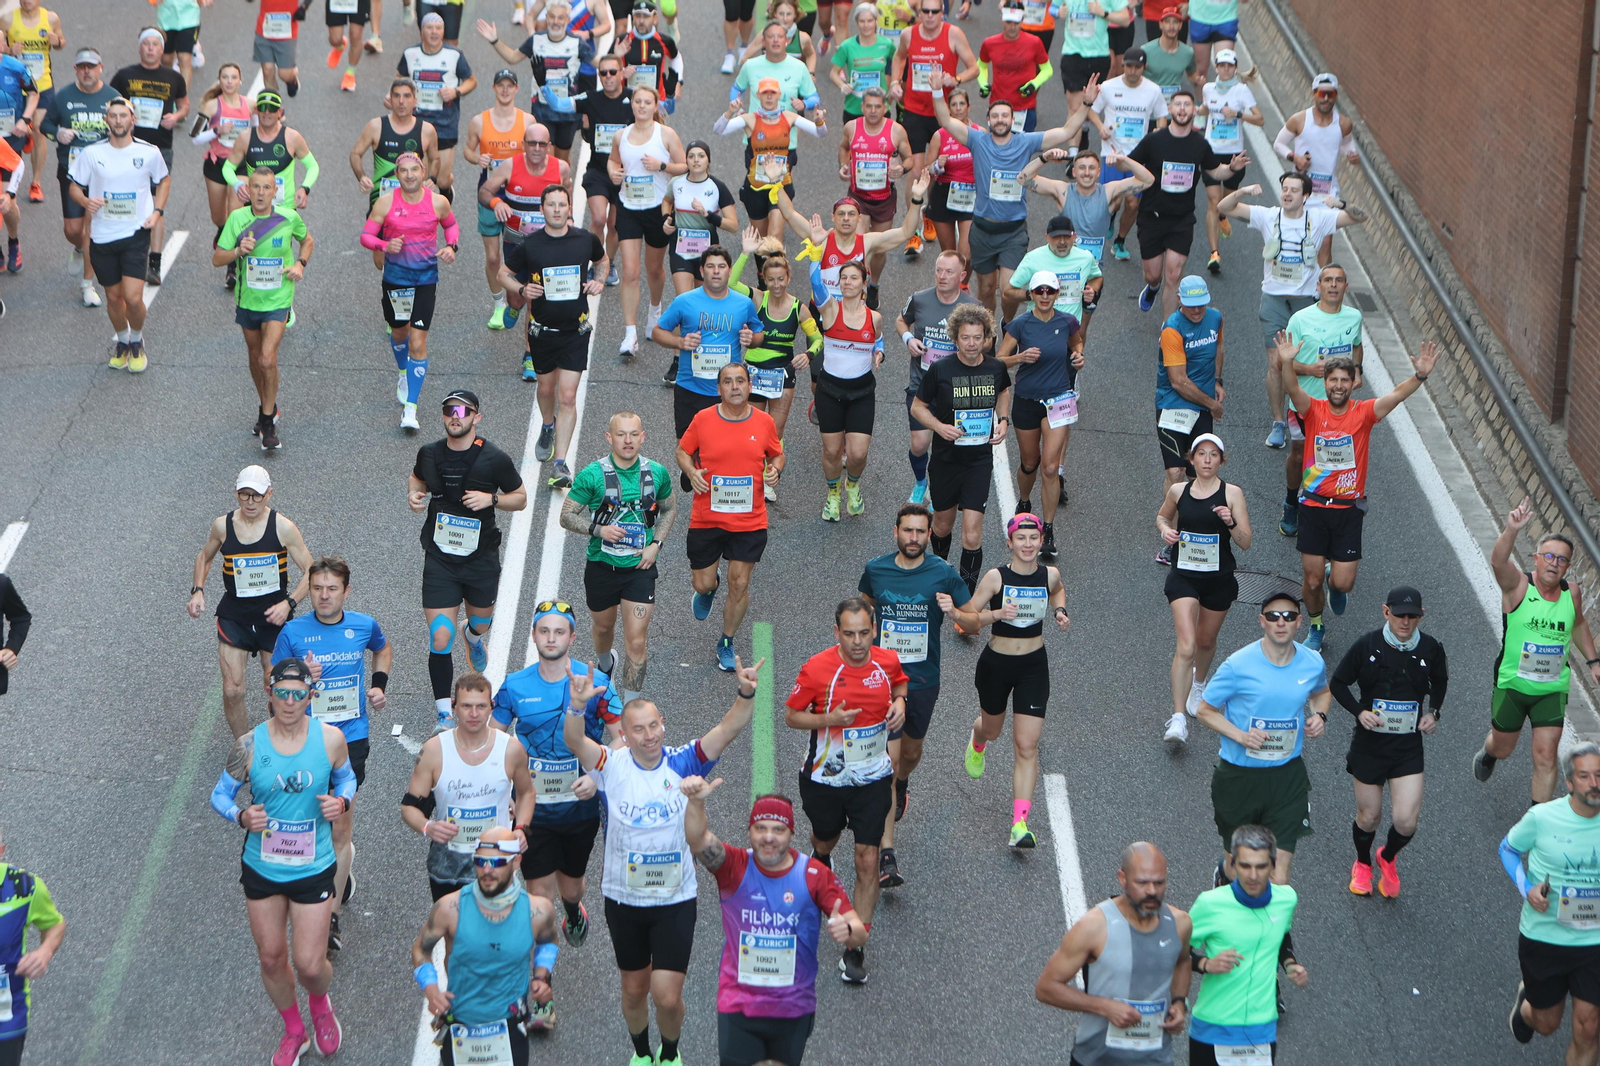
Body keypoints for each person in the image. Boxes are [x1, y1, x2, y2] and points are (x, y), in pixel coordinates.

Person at [563, 659, 764, 1066]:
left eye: (654, 725)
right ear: (624, 734)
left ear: (663, 724)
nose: (648, 735)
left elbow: (728, 729)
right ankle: (641, 1054)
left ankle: (669, 1054)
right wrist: (577, 708)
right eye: (638, 729)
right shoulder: (610, 764)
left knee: (668, 996)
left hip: (675, 899)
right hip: (624, 899)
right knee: (635, 991)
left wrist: (745, 692)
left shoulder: (684, 760)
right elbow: (575, 742)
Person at [209, 658, 354, 1064]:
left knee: (310, 965)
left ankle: (321, 1005)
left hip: (313, 866)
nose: (290, 702)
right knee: (272, 957)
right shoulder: (249, 745)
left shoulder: (329, 739)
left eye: (299, 694)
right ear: (269, 694)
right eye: (282, 693)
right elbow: (219, 795)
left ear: (311, 696)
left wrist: (340, 801)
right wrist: (239, 815)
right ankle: (295, 1031)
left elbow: (346, 778)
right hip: (263, 867)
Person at [683, 777, 867, 1065]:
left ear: (791, 833)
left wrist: (849, 932)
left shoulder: (814, 875)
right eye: (761, 828)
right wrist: (696, 800)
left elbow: (858, 931)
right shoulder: (733, 866)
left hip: (793, 1006)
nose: (769, 837)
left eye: (778, 830)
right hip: (738, 1004)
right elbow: (697, 839)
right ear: (750, 831)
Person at [1277, 332, 1440, 651]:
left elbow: (1396, 395)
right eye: (1333, 379)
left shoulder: (1364, 413)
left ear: (1354, 383)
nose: (1338, 385)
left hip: (1347, 511)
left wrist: (1420, 375)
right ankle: (1316, 625)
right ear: (1325, 383)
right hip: (1312, 506)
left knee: (1343, 582)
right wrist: (1286, 361)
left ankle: (1333, 578)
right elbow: (1292, 387)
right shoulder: (1313, 410)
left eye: (1344, 380)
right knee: (1310, 581)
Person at [783, 598, 907, 984]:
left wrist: (901, 702)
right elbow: (791, 715)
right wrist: (828, 719)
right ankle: (821, 854)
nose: (857, 642)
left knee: (867, 858)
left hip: (872, 778)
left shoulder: (886, 662)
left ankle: (855, 947)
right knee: (826, 836)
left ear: (875, 630)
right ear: (836, 632)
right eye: (849, 634)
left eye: (864, 633)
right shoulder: (818, 670)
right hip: (825, 780)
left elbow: (900, 681)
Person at [272, 557, 392, 954]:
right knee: (309, 820)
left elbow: (383, 648)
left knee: (340, 828)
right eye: (318, 588)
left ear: (346, 591)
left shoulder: (363, 625)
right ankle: (328, 875)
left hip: (350, 740)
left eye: (332, 589)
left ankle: (331, 916)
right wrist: (300, 677)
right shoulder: (292, 631)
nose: (324, 596)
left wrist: (378, 686)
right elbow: (274, 687)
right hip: (303, 742)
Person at [491, 605, 617, 977]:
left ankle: (574, 909)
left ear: (572, 637)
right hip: (534, 810)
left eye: (559, 632)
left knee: (571, 886)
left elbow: (622, 739)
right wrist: (503, 794)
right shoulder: (514, 684)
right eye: (543, 631)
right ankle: (541, 983)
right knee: (538, 896)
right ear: (533, 635)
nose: (550, 638)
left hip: (580, 807)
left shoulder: (595, 683)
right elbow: (495, 741)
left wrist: (598, 776)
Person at [856, 503, 969, 886]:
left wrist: (954, 613)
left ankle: (903, 784)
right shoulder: (876, 570)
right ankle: (888, 855)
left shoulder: (943, 574)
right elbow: (863, 610)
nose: (915, 538)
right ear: (896, 532)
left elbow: (971, 622)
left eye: (921, 532)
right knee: (886, 764)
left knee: (910, 755)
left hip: (923, 682)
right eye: (908, 531)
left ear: (928, 535)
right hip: (882, 683)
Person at [941, 512, 1069, 847]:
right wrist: (993, 615)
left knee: (1027, 745)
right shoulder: (996, 579)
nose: (1028, 545)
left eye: (1034, 538)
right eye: (1021, 539)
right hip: (996, 664)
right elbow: (968, 621)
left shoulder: (1049, 575)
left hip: (1033, 666)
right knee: (994, 729)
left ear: (1041, 541)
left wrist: (1059, 611)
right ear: (1010, 542)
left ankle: (1019, 826)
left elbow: (1058, 590)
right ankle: (978, 737)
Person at [406, 675, 538, 998]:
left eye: (481, 706)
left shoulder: (511, 749)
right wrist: (428, 826)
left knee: (500, 934)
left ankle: (504, 999)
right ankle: (463, 1000)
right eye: (466, 706)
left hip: (496, 861)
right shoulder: (435, 751)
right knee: (458, 939)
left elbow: (527, 793)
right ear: (454, 708)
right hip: (448, 862)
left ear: (491, 707)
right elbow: (409, 806)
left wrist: (521, 829)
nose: (474, 714)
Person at [1214, 175, 1364, 451]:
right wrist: (1244, 190)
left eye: (1294, 190)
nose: (1287, 194)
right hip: (1273, 300)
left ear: (1305, 196)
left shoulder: (1319, 218)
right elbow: (1223, 207)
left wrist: (1339, 203)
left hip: (1307, 304)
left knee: (1309, 363)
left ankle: (1312, 414)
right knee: (1276, 364)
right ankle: (1278, 422)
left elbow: (1358, 217)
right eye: (1284, 189)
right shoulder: (1267, 216)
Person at [408, 391, 529, 721]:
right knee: (440, 634)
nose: (455, 416)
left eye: (463, 410)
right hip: (440, 558)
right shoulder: (430, 453)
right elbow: (417, 479)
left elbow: (520, 498)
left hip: (480, 559)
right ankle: (444, 714)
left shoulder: (494, 458)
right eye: (449, 410)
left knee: (480, 622)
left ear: (477, 417)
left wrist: (492, 500)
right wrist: (414, 495)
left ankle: (473, 637)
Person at [929, 73, 1092, 316]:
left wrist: (1086, 104)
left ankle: (1008, 324)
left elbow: (1067, 131)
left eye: (1005, 115)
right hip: (983, 230)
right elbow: (944, 119)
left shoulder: (1026, 141)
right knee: (985, 290)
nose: (1000, 120)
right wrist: (935, 90)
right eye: (995, 116)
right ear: (988, 120)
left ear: (1012, 119)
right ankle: (989, 333)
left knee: (1007, 290)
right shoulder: (977, 139)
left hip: (1013, 232)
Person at [1194, 593, 1328, 885]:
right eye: (1273, 616)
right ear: (1262, 622)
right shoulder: (1237, 665)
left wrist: (1320, 716)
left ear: (1299, 622)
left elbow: (1321, 692)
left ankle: (1276, 932)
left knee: (1278, 876)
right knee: (1238, 867)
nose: (1281, 622)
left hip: (1287, 777)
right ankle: (1223, 875)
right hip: (1239, 777)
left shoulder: (1312, 663)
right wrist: (1240, 735)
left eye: (1289, 616)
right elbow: (1204, 710)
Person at [1475, 497, 1600, 803]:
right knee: (1503, 748)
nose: (1554, 563)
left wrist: (1594, 660)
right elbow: (1498, 562)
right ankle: (1489, 751)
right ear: (1536, 559)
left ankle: (1536, 823)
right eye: (1549, 556)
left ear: (1568, 567)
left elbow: (1579, 624)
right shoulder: (1518, 586)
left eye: (1562, 560)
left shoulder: (1572, 593)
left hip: (1551, 689)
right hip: (1513, 685)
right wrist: (1512, 529)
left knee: (1546, 757)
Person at [409, 826, 561, 1066]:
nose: (487, 870)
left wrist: (541, 977)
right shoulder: (449, 908)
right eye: (480, 861)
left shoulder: (538, 911)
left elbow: (548, 941)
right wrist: (431, 991)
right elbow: (421, 950)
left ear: (516, 861)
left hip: (511, 1024)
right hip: (461, 1020)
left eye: (497, 862)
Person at [1331, 586, 1446, 899]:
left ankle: (1388, 856)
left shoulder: (1431, 648)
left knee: (1406, 822)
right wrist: (1359, 712)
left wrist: (1434, 712)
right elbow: (1338, 683)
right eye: (1399, 615)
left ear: (1421, 617)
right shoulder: (1367, 644)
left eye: (1413, 616)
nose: (1406, 622)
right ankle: (1363, 863)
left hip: (1407, 748)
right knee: (1369, 816)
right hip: (1370, 745)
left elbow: (1441, 680)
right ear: (1386, 612)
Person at [1034, 842, 1192, 1065]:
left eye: (1159, 882)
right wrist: (1105, 1007)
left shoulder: (1180, 923)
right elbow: (1046, 988)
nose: (1152, 891)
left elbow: (1183, 962)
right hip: (1096, 1059)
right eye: (1142, 883)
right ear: (1122, 879)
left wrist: (1178, 1003)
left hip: (1156, 1059)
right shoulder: (1094, 926)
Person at [560, 412, 679, 707]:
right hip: (602, 565)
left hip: (640, 568)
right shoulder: (592, 475)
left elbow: (669, 509)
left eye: (633, 434)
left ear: (643, 437)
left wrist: (656, 545)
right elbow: (566, 516)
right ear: (609, 438)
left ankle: (629, 707)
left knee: (636, 640)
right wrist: (598, 529)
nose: (628, 440)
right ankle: (605, 664)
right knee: (602, 628)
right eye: (621, 434)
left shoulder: (657, 473)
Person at [673, 362, 785, 671]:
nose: (734, 387)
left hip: (750, 521)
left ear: (750, 386)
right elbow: (682, 451)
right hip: (707, 518)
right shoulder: (703, 419)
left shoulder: (763, 422)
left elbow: (776, 453)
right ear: (719, 388)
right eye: (727, 382)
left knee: (740, 582)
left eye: (740, 381)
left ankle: (726, 640)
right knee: (702, 582)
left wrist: (775, 469)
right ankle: (710, 586)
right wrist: (692, 471)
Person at [189, 466, 315, 740]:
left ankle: (282, 741)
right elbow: (205, 556)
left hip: (274, 619)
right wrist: (197, 590)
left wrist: (289, 603)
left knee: (277, 684)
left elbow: (311, 570)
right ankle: (243, 747)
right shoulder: (223, 526)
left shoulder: (283, 527)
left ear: (269, 494)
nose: (250, 502)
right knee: (233, 689)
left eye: (256, 496)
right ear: (236, 493)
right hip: (236, 617)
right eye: (244, 495)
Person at [499, 183, 607, 486]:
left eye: (562, 204)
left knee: (568, 395)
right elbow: (502, 274)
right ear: (542, 209)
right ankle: (548, 424)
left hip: (576, 331)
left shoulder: (586, 239)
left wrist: (598, 281)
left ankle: (560, 463)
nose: (557, 210)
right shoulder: (531, 245)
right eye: (551, 205)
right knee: (546, 389)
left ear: (570, 208)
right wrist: (522, 289)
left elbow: (602, 261)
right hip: (542, 331)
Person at [1500, 743, 1600, 1057]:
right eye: (1584, 776)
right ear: (1570, 783)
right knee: (1546, 1024)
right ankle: (1527, 1006)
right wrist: (1527, 887)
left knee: (1589, 1027)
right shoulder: (1542, 817)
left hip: (1594, 939)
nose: (1594, 783)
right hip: (1545, 936)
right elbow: (1508, 849)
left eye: (1599, 775)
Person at [1187, 826, 1307, 1065]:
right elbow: (1174, 949)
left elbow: (1281, 932)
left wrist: (1289, 963)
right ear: (1232, 864)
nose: (1253, 875)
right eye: (1245, 866)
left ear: (1273, 865)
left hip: (1261, 1031)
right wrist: (1205, 963)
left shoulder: (1286, 900)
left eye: (1261, 866)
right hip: (1212, 1029)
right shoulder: (1210, 904)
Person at [1157, 433, 1248, 745]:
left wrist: (1231, 521)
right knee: (1187, 644)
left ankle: (1199, 683)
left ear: (1221, 461)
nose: (1207, 460)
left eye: (1213, 455)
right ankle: (1178, 718)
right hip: (1183, 575)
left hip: (1219, 578)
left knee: (1206, 641)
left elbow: (1246, 542)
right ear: (1191, 459)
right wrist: (1166, 530)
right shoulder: (1178, 490)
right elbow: (1162, 516)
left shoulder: (1232, 493)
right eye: (1201, 454)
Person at [911, 300, 1010, 587]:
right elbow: (917, 407)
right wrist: (939, 427)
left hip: (978, 461)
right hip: (945, 460)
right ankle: (942, 572)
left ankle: (966, 596)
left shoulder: (995, 368)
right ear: (955, 337)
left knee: (972, 534)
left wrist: (1002, 420)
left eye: (977, 337)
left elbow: (1003, 391)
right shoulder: (941, 370)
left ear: (987, 338)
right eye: (965, 337)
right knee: (942, 527)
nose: (971, 344)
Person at [214, 167, 315, 449]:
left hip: (278, 299)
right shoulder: (237, 218)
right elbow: (217, 258)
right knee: (256, 357)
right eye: (255, 187)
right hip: (248, 301)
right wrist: (236, 251)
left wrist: (299, 264)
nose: (260, 193)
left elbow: (307, 240)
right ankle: (267, 404)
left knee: (267, 359)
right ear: (249, 191)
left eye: (266, 188)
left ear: (274, 191)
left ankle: (267, 420)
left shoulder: (288, 217)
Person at [362, 152, 461, 432]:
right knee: (399, 333)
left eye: (414, 170)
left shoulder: (438, 202)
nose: (409, 175)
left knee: (418, 343)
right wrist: (384, 245)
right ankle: (403, 373)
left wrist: (451, 247)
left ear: (423, 171)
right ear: (396, 174)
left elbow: (451, 226)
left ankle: (410, 409)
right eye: (403, 171)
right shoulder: (385, 203)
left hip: (426, 280)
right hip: (396, 280)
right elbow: (366, 235)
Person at [1127, 89, 1246, 316]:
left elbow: (1215, 171)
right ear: (1170, 110)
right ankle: (1152, 288)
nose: (1182, 109)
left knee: (1173, 275)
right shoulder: (1154, 140)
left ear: (1194, 111)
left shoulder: (1200, 144)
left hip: (1181, 219)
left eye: (1187, 105)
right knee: (1154, 275)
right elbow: (1130, 163)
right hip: (1152, 215)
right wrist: (1120, 161)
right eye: (1178, 105)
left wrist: (1231, 168)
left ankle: (1167, 331)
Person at [68, 99, 168, 369]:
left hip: (135, 233)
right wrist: (85, 201)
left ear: (132, 120)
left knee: (133, 297)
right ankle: (122, 341)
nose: (118, 120)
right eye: (113, 116)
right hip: (102, 235)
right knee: (113, 297)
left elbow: (164, 179)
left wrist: (157, 210)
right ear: (107, 121)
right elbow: (74, 186)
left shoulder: (148, 152)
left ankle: (137, 340)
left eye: (123, 116)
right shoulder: (91, 153)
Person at [1270, 261, 1365, 538]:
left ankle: (1324, 509)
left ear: (1346, 287)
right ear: (1318, 286)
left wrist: (1357, 370)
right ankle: (1291, 501)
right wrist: (1308, 369)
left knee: (1331, 457)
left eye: (1339, 280)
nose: (1333, 285)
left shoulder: (1354, 317)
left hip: (1338, 406)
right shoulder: (1301, 320)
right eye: (1328, 280)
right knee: (1300, 454)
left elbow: (1357, 346)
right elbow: (1281, 362)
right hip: (1305, 402)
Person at [997, 271, 1080, 559]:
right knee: (1030, 463)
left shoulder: (1067, 321)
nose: (1045, 296)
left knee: (1049, 466)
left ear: (1057, 294)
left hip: (1058, 401)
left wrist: (1078, 356)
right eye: (1039, 291)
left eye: (1050, 291)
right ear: (1031, 294)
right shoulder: (1020, 325)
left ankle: (1047, 528)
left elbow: (1076, 344)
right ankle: (1022, 502)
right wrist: (1019, 358)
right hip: (1028, 400)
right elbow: (998, 361)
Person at [655, 244, 767, 455]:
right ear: (701, 271)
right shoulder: (685, 301)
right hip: (690, 388)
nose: (716, 271)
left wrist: (751, 339)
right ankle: (690, 472)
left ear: (730, 271)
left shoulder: (744, 304)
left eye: (721, 266)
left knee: (725, 449)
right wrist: (680, 342)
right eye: (711, 266)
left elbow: (759, 334)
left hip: (727, 391)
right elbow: (657, 331)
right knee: (686, 448)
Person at [888, 0, 976, 257]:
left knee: (938, 168)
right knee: (916, 169)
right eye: (924, 11)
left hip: (943, 114)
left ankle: (930, 214)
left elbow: (974, 67)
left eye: (934, 11)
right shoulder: (908, 34)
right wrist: (895, 82)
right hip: (914, 110)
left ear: (942, 13)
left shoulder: (953, 34)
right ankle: (912, 230)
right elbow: (899, 57)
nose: (928, 15)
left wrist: (956, 79)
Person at [773, 166, 924, 312]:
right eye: (841, 214)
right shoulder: (822, 239)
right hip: (821, 315)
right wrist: (775, 183)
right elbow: (790, 214)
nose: (846, 218)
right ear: (833, 218)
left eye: (851, 214)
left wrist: (916, 199)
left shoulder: (867, 243)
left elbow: (906, 232)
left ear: (859, 219)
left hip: (853, 316)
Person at [808, 255, 887, 521]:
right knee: (831, 451)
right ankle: (833, 494)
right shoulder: (830, 309)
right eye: (843, 278)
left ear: (865, 284)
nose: (848, 282)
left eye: (854, 278)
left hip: (862, 393)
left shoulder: (874, 317)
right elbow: (815, 282)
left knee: (857, 453)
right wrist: (816, 254)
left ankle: (852, 484)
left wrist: (879, 353)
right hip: (829, 390)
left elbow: (879, 340)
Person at [608, 84, 686, 356]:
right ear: (632, 105)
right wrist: (614, 174)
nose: (641, 106)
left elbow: (685, 166)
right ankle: (630, 334)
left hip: (657, 208)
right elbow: (612, 160)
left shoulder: (665, 134)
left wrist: (661, 166)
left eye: (646, 102)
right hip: (629, 207)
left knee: (654, 269)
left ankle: (655, 309)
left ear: (655, 106)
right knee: (631, 271)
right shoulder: (621, 135)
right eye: (637, 102)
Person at [480, 122, 573, 344]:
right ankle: (513, 306)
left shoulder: (561, 168)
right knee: (516, 297)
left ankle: (530, 356)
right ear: (524, 145)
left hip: (547, 243)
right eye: (532, 143)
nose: (537, 148)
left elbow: (566, 194)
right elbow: (484, 191)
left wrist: (568, 219)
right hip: (516, 242)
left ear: (549, 146)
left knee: (536, 299)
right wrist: (496, 203)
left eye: (542, 144)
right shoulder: (509, 166)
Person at [897, 248, 978, 504]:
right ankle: (921, 482)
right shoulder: (919, 299)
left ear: (962, 275)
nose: (942, 276)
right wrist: (908, 338)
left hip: (955, 389)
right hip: (921, 386)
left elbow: (987, 343)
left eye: (949, 272)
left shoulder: (972, 307)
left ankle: (938, 488)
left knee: (946, 445)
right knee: (920, 445)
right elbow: (901, 321)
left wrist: (968, 347)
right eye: (938, 270)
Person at [734, 232, 821, 467]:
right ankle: (753, 472)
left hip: (782, 376)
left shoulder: (799, 308)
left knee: (775, 431)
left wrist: (808, 354)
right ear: (764, 278)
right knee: (751, 428)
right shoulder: (757, 298)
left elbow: (818, 340)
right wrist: (745, 254)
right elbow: (730, 283)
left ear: (789, 278)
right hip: (754, 372)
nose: (776, 285)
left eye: (781, 279)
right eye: (771, 280)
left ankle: (769, 478)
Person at [38, 48, 115, 309]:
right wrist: (57, 133)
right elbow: (44, 126)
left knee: (90, 230)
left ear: (100, 68)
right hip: (71, 170)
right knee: (74, 230)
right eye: (81, 67)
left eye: (91, 67)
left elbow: (126, 126)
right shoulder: (64, 97)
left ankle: (88, 285)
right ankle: (80, 249)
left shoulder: (112, 98)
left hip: (102, 172)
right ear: (75, 70)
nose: (86, 71)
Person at [112, 28, 186, 286]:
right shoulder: (124, 76)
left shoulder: (173, 77)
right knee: (127, 200)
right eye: (147, 44)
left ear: (162, 49)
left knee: (156, 206)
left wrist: (176, 117)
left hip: (160, 149)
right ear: (140, 48)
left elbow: (184, 103)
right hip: (127, 147)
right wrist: (122, 120)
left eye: (156, 44)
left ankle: (154, 262)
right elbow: (110, 105)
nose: (151, 48)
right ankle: (123, 253)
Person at [462, 68, 535, 329]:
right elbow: (468, 150)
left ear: (516, 89)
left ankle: (518, 298)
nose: (505, 90)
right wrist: (477, 158)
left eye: (510, 86)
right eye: (500, 85)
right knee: (493, 257)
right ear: (494, 88)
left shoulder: (527, 121)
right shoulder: (479, 121)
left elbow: (535, 153)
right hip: (490, 192)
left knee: (520, 253)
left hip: (519, 195)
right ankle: (498, 305)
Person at [478, 3, 593, 164]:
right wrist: (495, 40)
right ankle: (549, 189)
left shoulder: (577, 42)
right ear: (546, 18)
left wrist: (619, 57)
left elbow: (599, 64)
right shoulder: (536, 40)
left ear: (567, 20)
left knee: (562, 161)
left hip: (568, 111)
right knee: (547, 160)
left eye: (560, 17)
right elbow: (512, 57)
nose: (555, 21)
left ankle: (564, 187)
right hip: (542, 109)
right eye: (552, 16)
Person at [1018, 146, 1151, 282]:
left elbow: (1148, 180)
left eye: (1091, 168)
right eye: (1082, 168)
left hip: (1092, 274)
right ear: (1074, 172)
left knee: (1088, 301)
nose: (1087, 173)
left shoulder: (1108, 191)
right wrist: (1044, 157)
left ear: (1098, 172)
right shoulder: (1063, 191)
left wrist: (1124, 159)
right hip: (1064, 271)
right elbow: (1023, 178)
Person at [1086, 47, 1166, 261]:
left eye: (1137, 67)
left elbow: (1162, 116)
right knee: (1113, 201)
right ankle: (1109, 220)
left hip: (1139, 157)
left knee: (1133, 203)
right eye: (1129, 66)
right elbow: (1091, 110)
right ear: (1123, 66)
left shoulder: (1154, 90)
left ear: (1144, 67)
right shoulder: (1109, 87)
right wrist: (1100, 126)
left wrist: (1159, 131)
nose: (1132, 71)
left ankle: (1120, 240)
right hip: (1111, 153)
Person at [0, 824, 66, 1066]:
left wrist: (44, 952)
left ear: (1, 851)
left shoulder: (25, 888)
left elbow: (55, 924)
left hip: (5, 1018)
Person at [1155, 274, 1223, 494]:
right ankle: (1168, 524)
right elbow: (1179, 381)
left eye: (1201, 304)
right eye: (1191, 305)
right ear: (1179, 300)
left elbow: (1219, 346)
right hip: (1173, 404)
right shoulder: (1172, 329)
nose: (1196, 310)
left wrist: (1217, 381)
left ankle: (1193, 525)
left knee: (1201, 474)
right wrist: (1213, 405)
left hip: (1201, 406)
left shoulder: (1215, 318)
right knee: (1176, 472)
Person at [398, 12, 476, 200]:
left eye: (438, 28)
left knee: (441, 181)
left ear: (443, 31)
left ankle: (447, 190)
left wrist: (455, 91)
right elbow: (399, 78)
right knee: (420, 177)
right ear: (422, 31)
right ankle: (422, 217)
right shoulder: (410, 54)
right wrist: (392, 96)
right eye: (429, 28)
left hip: (445, 123)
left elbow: (471, 81)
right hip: (416, 122)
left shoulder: (454, 55)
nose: (434, 32)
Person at [837, 89, 909, 284]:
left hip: (884, 199)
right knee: (858, 246)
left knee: (879, 250)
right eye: (869, 106)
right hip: (858, 197)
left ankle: (874, 284)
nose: (873, 111)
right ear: (862, 107)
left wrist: (902, 169)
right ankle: (859, 290)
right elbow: (843, 147)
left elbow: (909, 159)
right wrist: (844, 165)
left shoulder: (896, 130)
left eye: (878, 106)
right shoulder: (852, 127)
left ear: (885, 108)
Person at [1196, 49, 1259, 273]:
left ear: (1234, 67)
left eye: (1229, 66)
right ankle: (1215, 253)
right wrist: (1197, 111)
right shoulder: (1208, 88)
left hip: (1234, 155)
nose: (1225, 69)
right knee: (1213, 201)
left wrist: (1238, 114)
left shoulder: (1242, 91)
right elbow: (1206, 108)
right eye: (1221, 65)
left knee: (1227, 199)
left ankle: (1223, 215)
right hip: (1211, 151)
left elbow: (1260, 119)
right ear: (1216, 67)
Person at [193, 64, 252, 289]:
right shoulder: (211, 105)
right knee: (219, 217)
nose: (229, 81)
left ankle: (232, 267)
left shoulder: (250, 105)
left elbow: (257, 134)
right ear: (219, 80)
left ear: (240, 80)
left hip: (241, 166)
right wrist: (217, 131)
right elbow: (194, 137)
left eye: (233, 77)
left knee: (235, 215)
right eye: (225, 77)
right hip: (216, 165)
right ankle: (222, 230)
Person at [220, 91, 318, 224]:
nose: (267, 112)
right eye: (262, 108)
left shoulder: (292, 137)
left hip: (284, 209)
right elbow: (228, 167)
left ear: (280, 112)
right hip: (255, 209)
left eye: (272, 108)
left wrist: (304, 188)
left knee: (282, 245)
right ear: (256, 110)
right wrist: (237, 184)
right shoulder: (245, 137)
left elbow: (312, 165)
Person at [577, 53, 632, 285]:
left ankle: (608, 263)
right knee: (599, 219)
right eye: (603, 72)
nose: (608, 77)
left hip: (626, 174)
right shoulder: (591, 98)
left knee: (615, 224)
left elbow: (656, 113)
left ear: (622, 73)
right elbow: (560, 104)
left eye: (612, 72)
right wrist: (543, 85)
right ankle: (595, 262)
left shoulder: (634, 98)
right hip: (599, 171)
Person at [1002, 209, 1105, 331]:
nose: (1062, 242)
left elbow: (1097, 277)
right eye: (1056, 237)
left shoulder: (1086, 258)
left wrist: (1092, 289)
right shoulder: (1033, 258)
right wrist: (1031, 295)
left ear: (1074, 237)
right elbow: (1008, 291)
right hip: (1038, 326)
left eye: (1066, 236)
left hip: (1069, 329)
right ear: (1047, 237)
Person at [662, 139, 741, 295]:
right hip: (680, 245)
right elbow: (667, 200)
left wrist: (708, 215)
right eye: (691, 156)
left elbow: (733, 225)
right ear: (686, 161)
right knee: (684, 298)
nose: (696, 160)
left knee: (703, 298)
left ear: (708, 160)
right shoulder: (676, 183)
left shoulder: (717, 186)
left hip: (707, 249)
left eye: (701, 156)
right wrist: (666, 218)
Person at [349, 77, 440, 210]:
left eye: (406, 96)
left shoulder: (426, 130)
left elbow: (435, 158)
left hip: (414, 203)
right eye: (396, 96)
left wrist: (432, 179)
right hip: (381, 204)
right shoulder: (376, 126)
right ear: (390, 100)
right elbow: (355, 154)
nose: (401, 101)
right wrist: (361, 176)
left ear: (415, 101)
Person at [3, 0, 62, 206]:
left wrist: (57, 42)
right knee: (17, 127)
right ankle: (26, 133)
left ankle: (36, 183)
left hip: (42, 83)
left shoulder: (51, 18)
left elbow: (61, 43)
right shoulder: (8, 19)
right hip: (16, 85)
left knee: (39, 129)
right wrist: (10, 50)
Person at [1273, 72, 1359, 211]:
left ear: (1336, 96)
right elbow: (1278, 144)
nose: (1325, 99)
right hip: (1300, 188)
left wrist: (1352, 155)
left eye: (1330, 94)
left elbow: (1346, 145)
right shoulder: (1299, 120)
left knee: (1326, 232)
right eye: (1321, 94)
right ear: (1313, 94)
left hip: (1328, 190)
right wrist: (1296, 158)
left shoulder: (1344, 123)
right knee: (1300, 231)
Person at [1052, 0, 1130, 132]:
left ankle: (1084, 130)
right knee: (1074, 107)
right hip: (1072, 53)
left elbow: (1125, 19)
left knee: (1091, 106)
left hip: (1099, 54)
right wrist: (1058, 12)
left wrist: (1103, 13)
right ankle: (1073, 151)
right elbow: (1052, 8)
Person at [978, 1, 1052, 133]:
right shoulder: (989, 43)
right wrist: (983, 83)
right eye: (1008, 22)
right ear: (1001, 19)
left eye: (1016, 22)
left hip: (1025, 107)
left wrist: (1034, 84)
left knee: (1024, 151)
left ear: (1022, 20)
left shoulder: (1034, 42)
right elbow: (981, 65)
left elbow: (1047, 69)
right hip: (998, 106)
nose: (1012, 27)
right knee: (997, 150)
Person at [923, 85, 975, 259]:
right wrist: (937, 166)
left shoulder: (979, 132)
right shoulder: (940, 135)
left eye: (962, 104)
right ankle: (954, 286)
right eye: (954, 104)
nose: (958, 108)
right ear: (949, 109)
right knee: (949, 255)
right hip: (944, 194)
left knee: (966, 253)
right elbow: (927, 169)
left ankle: (964, 286)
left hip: (970, 195)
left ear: (969, 107)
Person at [830, 3, 897, 127]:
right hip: (854, 107)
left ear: (876, 21)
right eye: (862, 21)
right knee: (853, 145)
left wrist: (894, 84)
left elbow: (899, 63)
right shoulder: (847, 46)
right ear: (856, 22)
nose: (866, 25)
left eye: (870, 21)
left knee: (881, 146)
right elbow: (833, 73)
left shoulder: (887, 44)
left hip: (880, 107)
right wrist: (842, 85)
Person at [615, 0, 683, 115]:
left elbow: (676, 57)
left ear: (655, 18)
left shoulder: (664, 41)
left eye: (646, 17)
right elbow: (606, 70)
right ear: (633, 18)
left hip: (656, 104)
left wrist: (678, 82)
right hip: (628, 104)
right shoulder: (622, 41)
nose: (641, 21)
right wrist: (621, 72)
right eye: (637, 16)